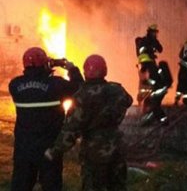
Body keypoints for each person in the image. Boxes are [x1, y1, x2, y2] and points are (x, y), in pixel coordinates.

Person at [45, 54, 133, 191]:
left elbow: (71, 129)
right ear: (105, 70)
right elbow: (128, 101)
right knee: (118, 186)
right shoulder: (117, 90)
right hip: (117, 147)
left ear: (86, 72)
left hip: (94, 151)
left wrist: (54, 151)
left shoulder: (81, 97)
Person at [9, 46, 84, 191]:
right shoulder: (56, 84)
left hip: (23, 148)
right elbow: (80, 88)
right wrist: (72, 69)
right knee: (51, 185)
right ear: (44, 63)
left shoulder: (15, 85)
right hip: (49, 148)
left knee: (21, 185)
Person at [135, 24, 163, 104]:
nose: (155, 34)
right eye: (154, 32)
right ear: (150, 32)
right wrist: (149, 51)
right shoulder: (144, 40)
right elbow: (141, 51)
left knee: (154, 78)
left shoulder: (154, 41)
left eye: (156, 32)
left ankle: (151, 96)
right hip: (144, 62)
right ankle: (141, 97)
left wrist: (156, 42)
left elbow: (160, 49)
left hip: (151, 62)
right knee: (144, 80)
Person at [140, 60, 173, 126]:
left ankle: (163, 120)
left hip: (159, 91)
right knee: (154, 105)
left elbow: (155, 82)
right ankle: (150, 120)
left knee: (155, 106)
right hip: (160, 90)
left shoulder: (152, 70)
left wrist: (146, 81)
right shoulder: (153, 68)